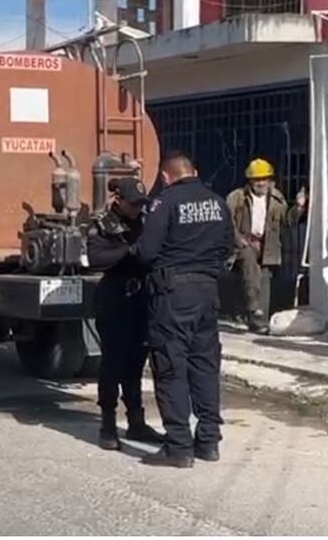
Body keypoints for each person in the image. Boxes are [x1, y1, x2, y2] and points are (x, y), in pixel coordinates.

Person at [135, 151, 235, 467]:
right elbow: (228, 246)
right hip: (208, 290)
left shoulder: (165, 202)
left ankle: (178, 445)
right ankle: (208, 442)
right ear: (195, 170)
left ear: (166, 176)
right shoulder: (217, 201)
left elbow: (146, 253)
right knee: (205, 364)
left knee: (170, 365)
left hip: (173, 293)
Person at [86, 178, 165, 451]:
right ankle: (107, 424)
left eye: (141, 204)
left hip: (141, 298)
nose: (137, 209)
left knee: (135, 364)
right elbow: (96, 259)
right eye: (133, 204)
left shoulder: (145, 222)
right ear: (118, 200)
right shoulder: (102, 224)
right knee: (113, 363)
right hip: (115, 298)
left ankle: (136, 421)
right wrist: (130, 251)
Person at [226, 158, 288, 334]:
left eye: (264, 179)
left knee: (264, 277)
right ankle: (254, 308)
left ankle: (259, 322)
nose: (260, 183)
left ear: (270, 181)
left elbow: (287, 221)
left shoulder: (277, 199)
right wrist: (238, 239)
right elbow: (227, 221)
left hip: (267, 245)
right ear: (250, 181)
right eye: (256, 180)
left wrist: (298, 208)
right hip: (244, 243)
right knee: (248, 262)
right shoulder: (237, 197)